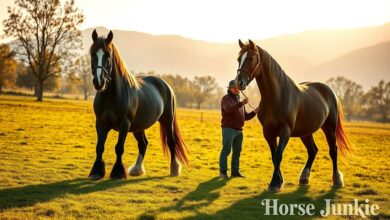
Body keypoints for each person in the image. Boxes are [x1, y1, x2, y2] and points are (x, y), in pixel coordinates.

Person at [219, 80, 259, 178]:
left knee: (237, 152)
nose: (237, 90)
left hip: (239, 131)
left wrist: (255, 112)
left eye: (237, 88)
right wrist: (241, 104)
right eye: (234, 88)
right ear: (230, 88)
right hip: (228, 130)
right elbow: (229, 109)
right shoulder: (226, 99)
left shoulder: (239, 101)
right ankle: (223, 172)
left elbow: (245, 117)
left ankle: (235, 172)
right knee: (226, 150)